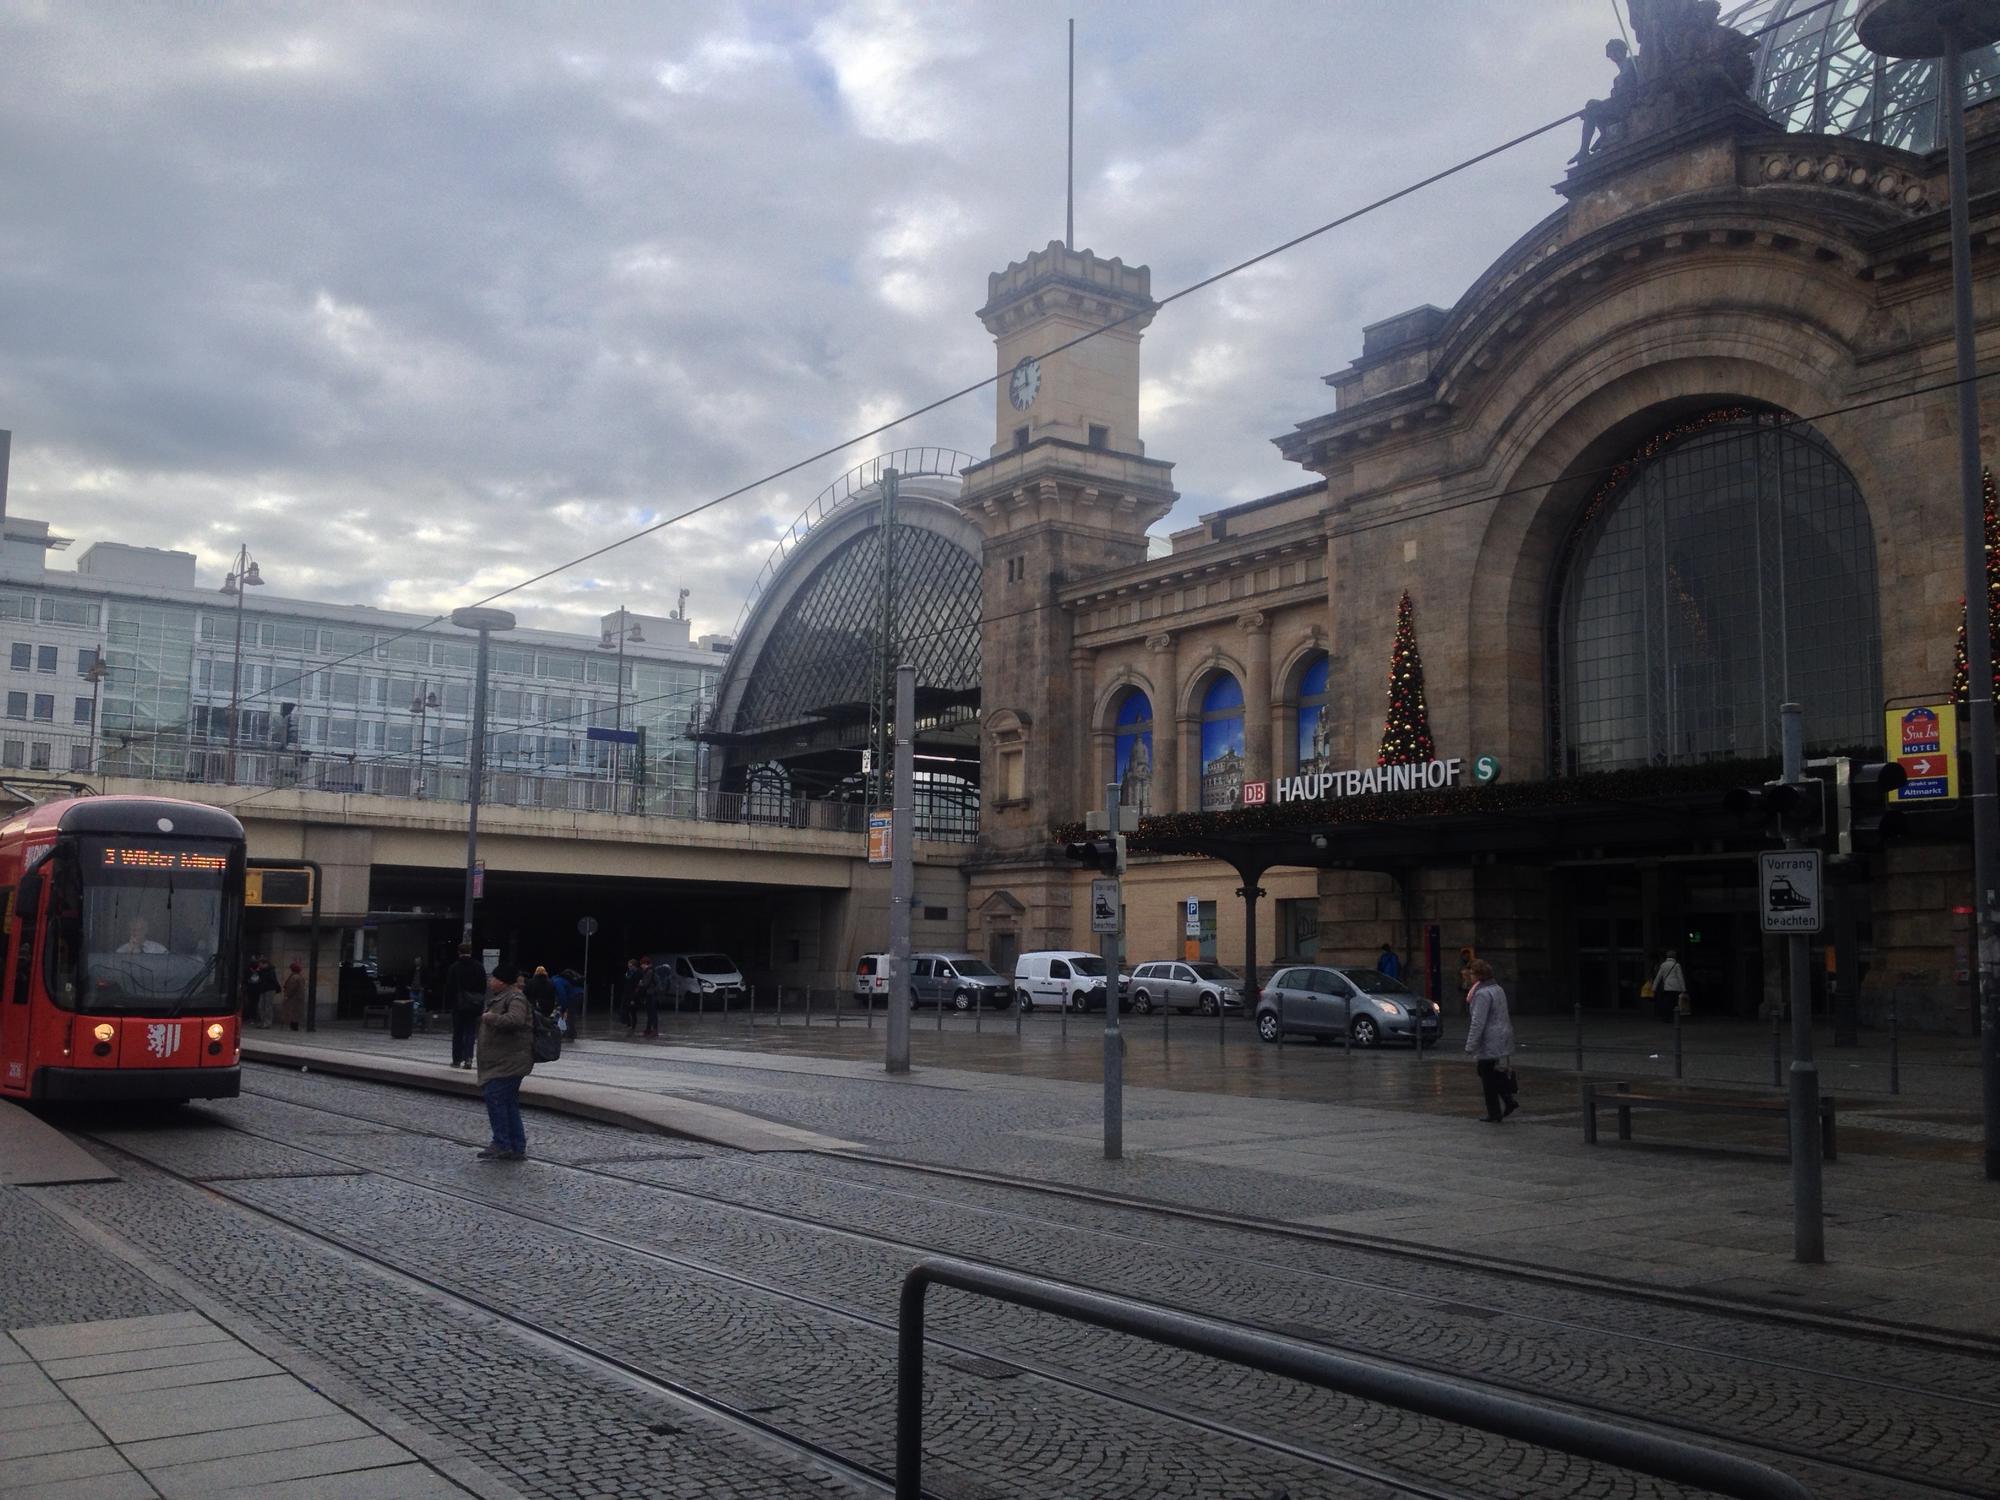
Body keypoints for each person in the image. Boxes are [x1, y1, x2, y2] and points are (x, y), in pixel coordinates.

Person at [475, 962, 534, 1161]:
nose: (490, 981)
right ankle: (515, 1146)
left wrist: (491, 1018)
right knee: (507, 1103)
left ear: (501, 981)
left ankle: (502, 1143)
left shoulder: (514, 997)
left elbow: (515, 1020)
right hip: (504, 1061)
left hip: (508, 1062)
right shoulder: (505, 996)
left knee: (497, 1100)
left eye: (493, 978)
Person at [1463, 958, 1517, 1123]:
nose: (1470, 976)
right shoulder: (1497, 989)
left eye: (1472, 973)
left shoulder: (1482, 994)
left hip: (1490, 1039)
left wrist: (1470, 1044)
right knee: (1488, 1071)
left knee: (1487, 1075)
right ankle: (1508, 1101)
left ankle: (1495, 1112)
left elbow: (1478, 1021)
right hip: (1501, 1035)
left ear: (1479, 975)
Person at [444, 944, 488, 1070]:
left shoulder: (454, 967)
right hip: (474, 1005)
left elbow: (449, 987)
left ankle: (456, 1059)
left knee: (458, 1032)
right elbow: (483, 986)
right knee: (470, 1032)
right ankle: (468, 1058)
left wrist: (450, 1003)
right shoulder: (479, 967)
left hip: (458, 1005)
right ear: (470, 952)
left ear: (458, 952)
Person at [1649, 948, 1688, 1023]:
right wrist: (1683, 988)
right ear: (1674, 956)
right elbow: (1680, 977)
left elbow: (1658, 977)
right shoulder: (1677, 965)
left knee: (1667, 1003)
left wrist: (1654, 988)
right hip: (1676, 987)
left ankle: (1666, 1017)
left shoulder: (1663, 965)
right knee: (1675, 1003)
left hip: (1667, 987)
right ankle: (1674, 1017)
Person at [279, 960, 307, 1030]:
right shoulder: (300, 977)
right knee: (296, 1012)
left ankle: (293, 1026)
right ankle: (294, 1026)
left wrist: (287, 995)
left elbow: (291, 988)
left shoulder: (294, 977)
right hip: (298, 997)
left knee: (292, 1012)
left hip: (293, 998)